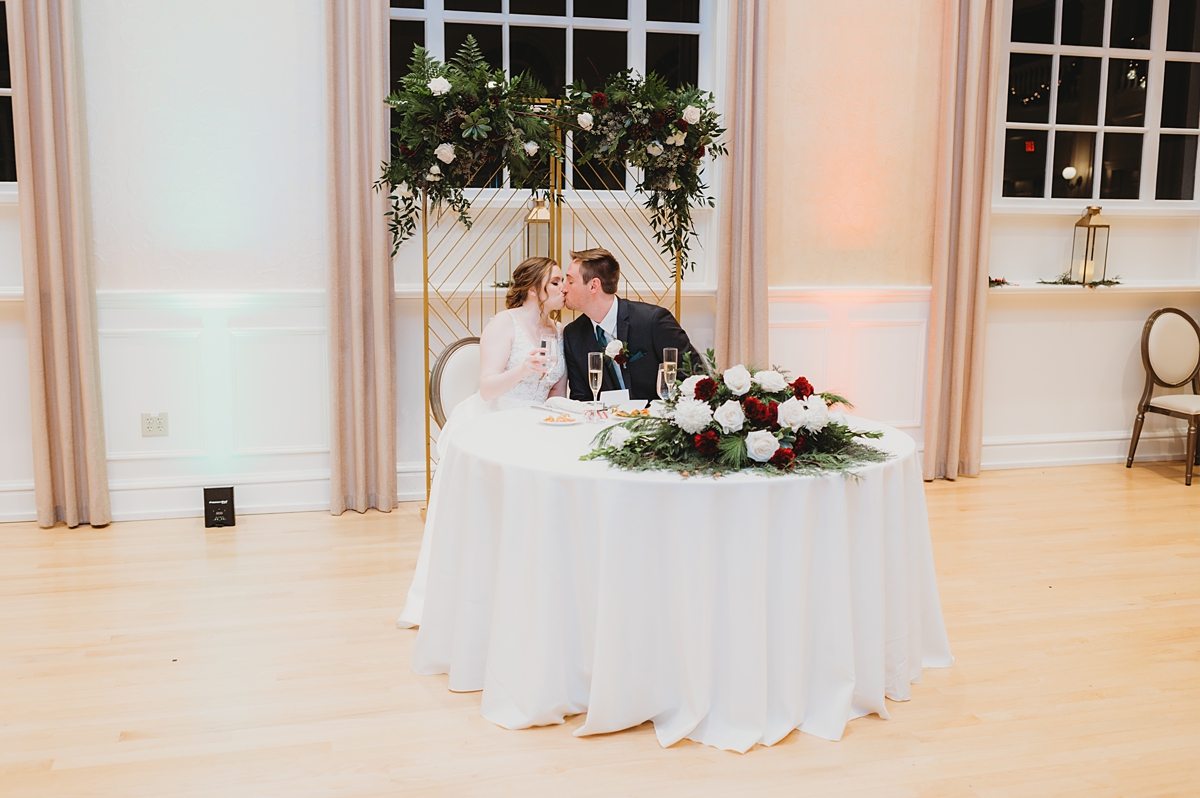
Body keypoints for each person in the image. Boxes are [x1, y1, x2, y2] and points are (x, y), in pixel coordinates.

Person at [396, 256, 565, 629]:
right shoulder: (503, 324)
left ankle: (530, 591)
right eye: (555, 282)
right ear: (535, 287)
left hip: (536, 421)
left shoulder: (558, 331)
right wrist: (522, 369)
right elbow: (487, 388)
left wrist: (560, 411)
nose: (563, 288)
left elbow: (555, 389)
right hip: (498, 417)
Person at [561, 247, 700, 402]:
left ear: (594, 285)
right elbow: (581, 399)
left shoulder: (652, 321)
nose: (563, 288)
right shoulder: (573, 335)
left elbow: (694, 375)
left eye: (570, 281)